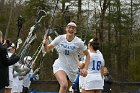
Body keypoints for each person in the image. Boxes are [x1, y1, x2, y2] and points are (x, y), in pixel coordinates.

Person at [43, 21, 90, 93]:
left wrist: (85, 68)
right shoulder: (60, 38)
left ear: (75, 31)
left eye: (73, 28)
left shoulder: (79, 42)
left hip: (72, 69)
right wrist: (45, 44)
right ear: (66, 29)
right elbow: (47, 49)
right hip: (60, 65)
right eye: (69, 27)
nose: (71, 29)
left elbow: (88, 55)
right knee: (64, 85)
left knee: (67, 89)